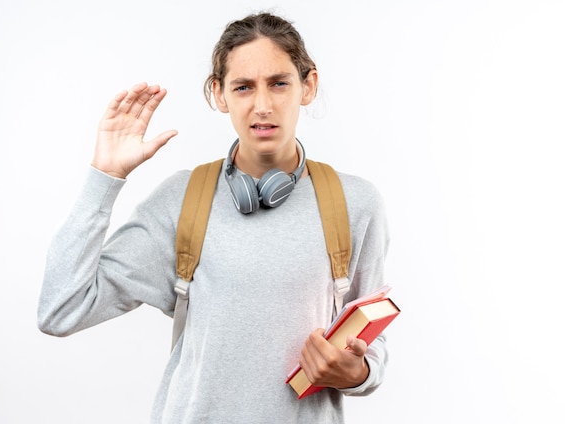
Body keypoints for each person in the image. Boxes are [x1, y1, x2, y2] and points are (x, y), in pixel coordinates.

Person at [38, 12, 390, 423]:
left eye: (279, 83)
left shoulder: (355, 203)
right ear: (219, 94)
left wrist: (357, 373)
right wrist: (105, 176)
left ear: (307, 85)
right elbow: (60, 309)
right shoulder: (182, 200)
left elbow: (372, 340)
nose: (263, 105)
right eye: (243, 87)